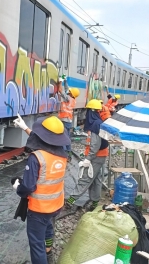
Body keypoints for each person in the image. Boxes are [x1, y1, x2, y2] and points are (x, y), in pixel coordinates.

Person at [13, 114, 70, 264]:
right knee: (48, 228)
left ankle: (43, 257)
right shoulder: (62, 155)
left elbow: (28, 187)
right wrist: (25, 127)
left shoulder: (36, 158)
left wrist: (18, 187)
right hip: (56, 205)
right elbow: (44, 141)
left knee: (36, 244)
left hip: (39, 209)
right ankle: (49, 251)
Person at [59, 99, 109, 218]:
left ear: (91, 111)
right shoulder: (98, 122)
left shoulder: (96, 124)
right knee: (96, 180)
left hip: (96, 156)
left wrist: (88, 159)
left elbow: (95, 145)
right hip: (100, 155)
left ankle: (70, 202)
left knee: (85, 179)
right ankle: (95, 202)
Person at [57, 76, 80, 158]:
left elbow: (60, 90)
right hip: (68, 121)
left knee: (63, 137)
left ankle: (64, 154)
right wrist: (65, 81)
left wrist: (60, 82)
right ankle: (68, 152)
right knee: (67, 137)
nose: (69, 91)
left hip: (64, 120)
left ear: (71, 94)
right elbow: (67, 89)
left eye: (70, 92)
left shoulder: (68, 99)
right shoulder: (73, 99)